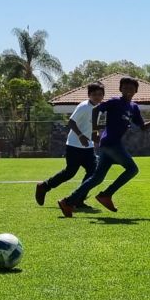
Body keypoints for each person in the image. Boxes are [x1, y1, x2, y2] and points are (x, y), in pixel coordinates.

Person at [57, 76, 150, 217]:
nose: (128, 90)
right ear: (120, 89)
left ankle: (67, 202)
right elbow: (96, 110)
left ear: (136, 91)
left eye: (131, 88)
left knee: (97, 178)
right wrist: (95, 131)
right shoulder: (115, 102)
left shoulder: (133, 107)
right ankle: (106, 195)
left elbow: (142, 127)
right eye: (125, 88)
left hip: (109, 144)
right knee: (132, 169)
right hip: (110, 143)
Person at [35, 82, 105, 210]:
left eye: (100, 94)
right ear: (89, 95)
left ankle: (78, 200)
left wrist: (97, 137)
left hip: (88, 147)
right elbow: (71, 122)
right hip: (74, 145)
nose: (97, 97)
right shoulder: (84, 107)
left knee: (93, 172)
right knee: (70, 173)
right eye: (94, 94)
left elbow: (95, 127)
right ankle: (44, 186)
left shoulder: (100, 109)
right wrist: (81, 136)